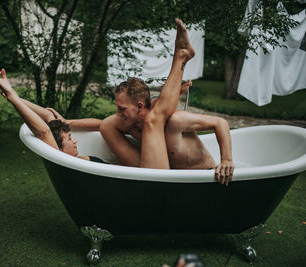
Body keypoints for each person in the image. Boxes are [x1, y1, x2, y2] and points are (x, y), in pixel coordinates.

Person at [100, 18, 234, 185]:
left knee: (152, 119)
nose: (118, 114)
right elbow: (102, 124)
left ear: (140, 106)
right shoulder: (135, 125)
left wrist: (227, 160)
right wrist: (68, 123)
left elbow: (220, 122)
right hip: (168, 180)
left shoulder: (176, 121)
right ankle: (181, 55)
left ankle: (181, 55)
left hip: (203, 179)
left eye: (122, 109)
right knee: (106, 125)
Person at [0, 61, 106, 163]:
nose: (75, 141)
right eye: (70, 138)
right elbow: (43, 132)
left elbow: (48, 115)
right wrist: (11, 96)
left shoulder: (79, 159)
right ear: (59, 149)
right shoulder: (64, 160)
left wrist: (14, 96)